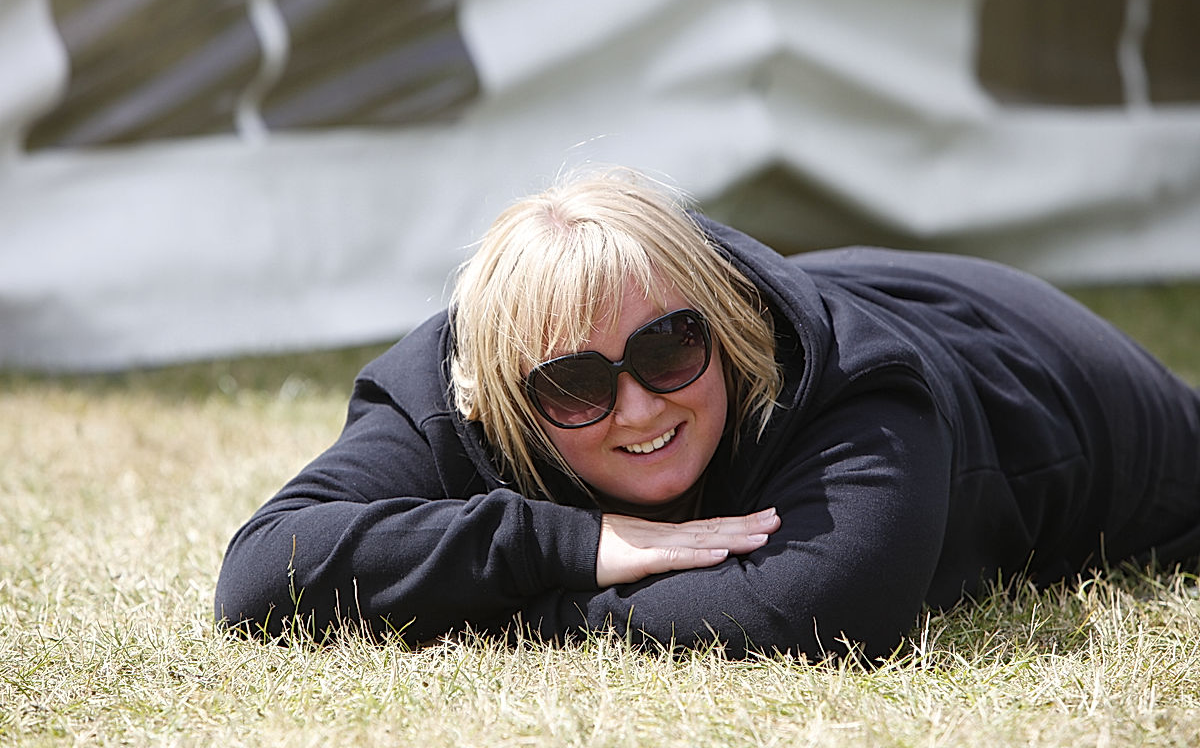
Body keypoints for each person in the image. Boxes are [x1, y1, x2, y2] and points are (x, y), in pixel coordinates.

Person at [214, 166, 1200, 660]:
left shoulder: (857, 386)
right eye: (574, 384)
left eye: (670, 347)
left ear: (724, 327)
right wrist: (569, 540)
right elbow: (263, 575)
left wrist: (521, 613)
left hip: (1044, 370)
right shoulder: (449, 389)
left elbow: (821, 605)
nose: (640, 404)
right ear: (507, 392)